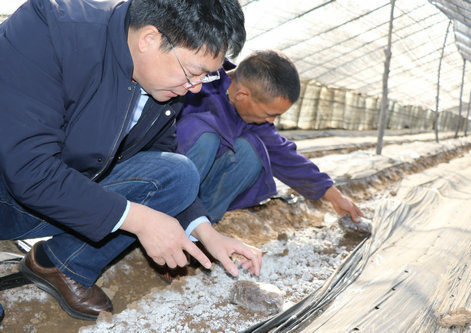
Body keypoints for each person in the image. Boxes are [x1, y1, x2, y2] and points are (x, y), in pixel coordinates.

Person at [0, 0, 262, 322]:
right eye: (194, 73)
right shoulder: (50, 28)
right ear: (149, 39)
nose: (195, 88)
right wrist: (137, 218)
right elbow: (29, 169)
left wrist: (207, 233)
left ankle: (62, 264)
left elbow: (158, 156)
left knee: (178, 174)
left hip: (56, 191)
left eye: (205, 78)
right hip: (10, 187)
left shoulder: (163, 81)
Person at [176, 50, 363, 225]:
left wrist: (335, 196)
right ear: (242, 95)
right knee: (204, 135)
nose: (271, 120)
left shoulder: (253, 114)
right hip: (163, 175)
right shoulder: (196, 82)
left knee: (252, 151)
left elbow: (283, 155)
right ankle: (165, 216)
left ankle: (196, 227)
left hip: (197, 185)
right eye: (268, 113)